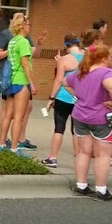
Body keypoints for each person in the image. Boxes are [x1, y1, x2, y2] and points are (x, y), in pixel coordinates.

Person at [64, 42, 112, 200]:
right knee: (103, 155)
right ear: (103, 58)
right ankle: (101, 190)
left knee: (83, 152)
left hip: (80, 116)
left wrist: (78, 96)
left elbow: (65, 82)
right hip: (101, 118)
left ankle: (81, 186)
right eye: (110, 56)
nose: (111, 59)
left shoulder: (81, 72)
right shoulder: (106, 73)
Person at [0, 10, 46, 151]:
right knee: (18, 117)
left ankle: (1, 144)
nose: (30, 27)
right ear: (22, 26)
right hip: (21, 81)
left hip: (11, 80)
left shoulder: (13, 41)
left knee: (8, 114)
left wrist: (38, 44)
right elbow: (25, 64)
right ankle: (14, 148)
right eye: (28, 24)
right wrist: (32, 84)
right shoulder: (22, 42)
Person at [40, 32, 84, 168]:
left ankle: (52, 158)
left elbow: (59, 80)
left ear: (66, 46)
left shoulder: (64, 60)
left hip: (63, 97)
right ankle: (79, 160)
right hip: (79, 97)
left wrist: (51, 98)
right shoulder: (87, 57)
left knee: (59, 128)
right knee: (76, 130)